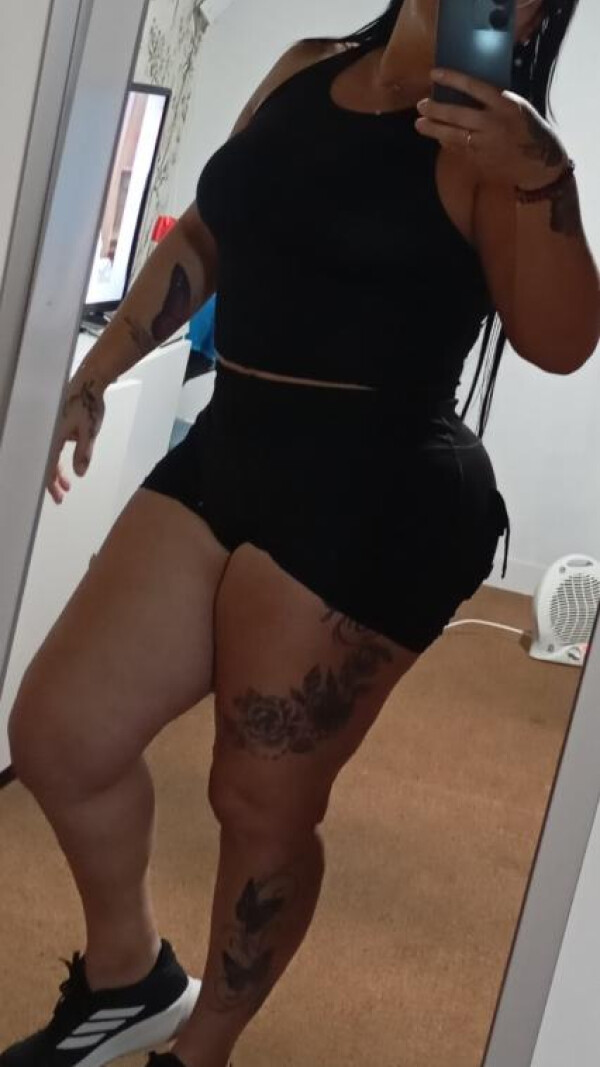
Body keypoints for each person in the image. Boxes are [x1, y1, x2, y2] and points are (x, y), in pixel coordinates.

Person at [3, 1, 598, 1066]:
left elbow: (558, 343)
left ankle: (201, 1051)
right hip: (232, 440)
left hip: (375, 489)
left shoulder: (496, 145)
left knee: (259, 801)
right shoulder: (305, 65)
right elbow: (209, 233)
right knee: (59, 730)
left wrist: (541, 176)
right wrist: (94, 372)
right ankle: (129, 976)